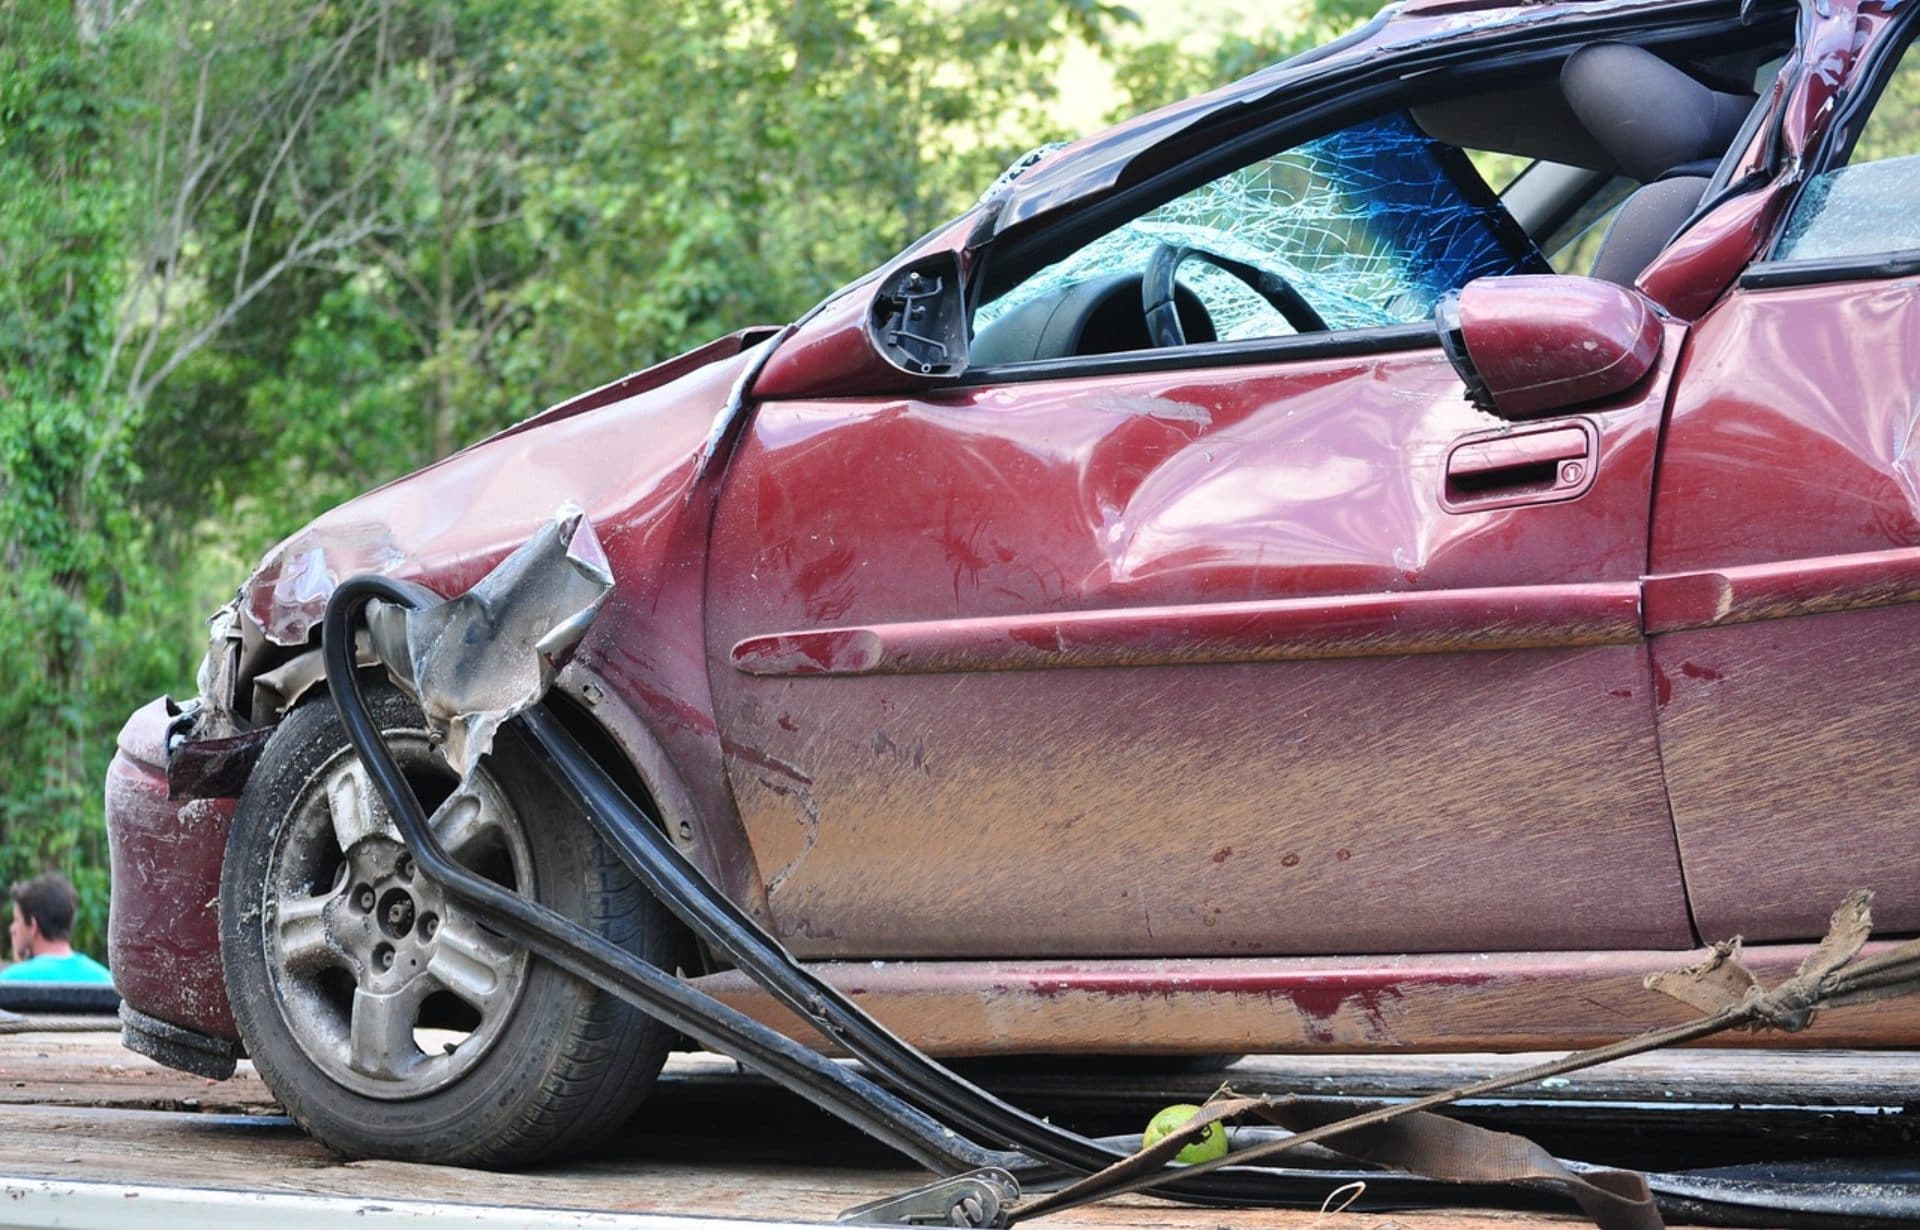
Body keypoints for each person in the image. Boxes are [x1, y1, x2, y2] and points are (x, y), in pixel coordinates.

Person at [4, 873, 112, 984]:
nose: (12, 928)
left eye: (16, 920)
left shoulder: (9, 981)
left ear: (33, 925)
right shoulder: (106, 980)